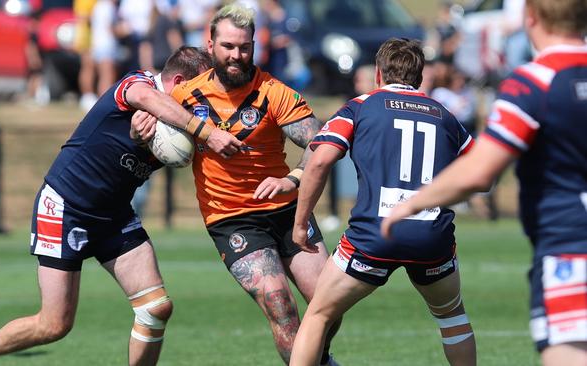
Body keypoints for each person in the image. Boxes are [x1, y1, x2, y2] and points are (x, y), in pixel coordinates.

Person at [0, 46, 242, 366]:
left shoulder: (180, 121)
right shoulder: (141, 84)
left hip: (114, 215)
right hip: (66, 207)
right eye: (201, 91)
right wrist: (202, 133)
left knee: (156, 308)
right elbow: (144, 98)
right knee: (54, 324)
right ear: (179, 80)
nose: (205, 101)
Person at [132, 4, 340, 365]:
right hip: (232, 218)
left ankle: (318, 360)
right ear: (209, 44)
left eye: (244, 47)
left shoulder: (274, 93)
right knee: (279, 301)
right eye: (228, 46)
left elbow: (322, 144)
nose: (236, 55)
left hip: (288, 211)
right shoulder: (184, 98)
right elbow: (146, 125)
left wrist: (290, 179)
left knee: (331, 302)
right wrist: (139, 133)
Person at [381, 1, 587, 365]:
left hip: (570, 250)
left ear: (531, 18)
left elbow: (480, 170)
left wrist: (413, 202)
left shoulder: (534, 82)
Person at [290, 38, 477, 365]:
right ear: (420, 75)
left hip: (374, 235)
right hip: (430, 234)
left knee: (318, 314)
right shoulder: (446, 117)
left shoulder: (360, 106)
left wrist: (301, 222)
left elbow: (319, 162)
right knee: (452, 317)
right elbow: (481, 176)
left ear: (378, 72)